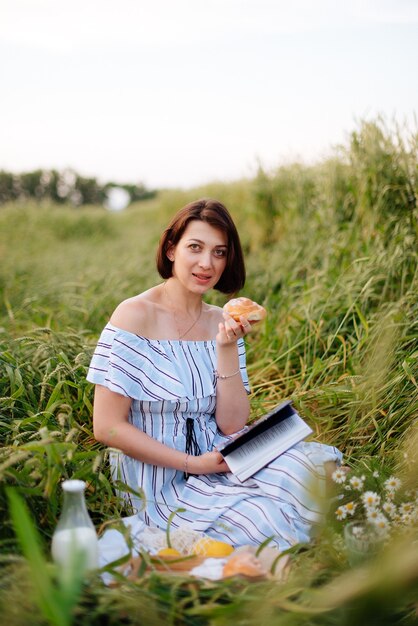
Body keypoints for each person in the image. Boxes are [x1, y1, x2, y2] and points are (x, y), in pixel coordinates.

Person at [87, 198, 342, 552]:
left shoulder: (222, 318)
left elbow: (232, 423)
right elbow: (107, 426)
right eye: (196, 247)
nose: (207, 263)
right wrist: (193, 464)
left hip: (218, 455)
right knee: (256, 521)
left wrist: (225, 349)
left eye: (219, 252)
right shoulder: (134, 316)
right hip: (160, 473)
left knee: (312, 468)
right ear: (172, 249)